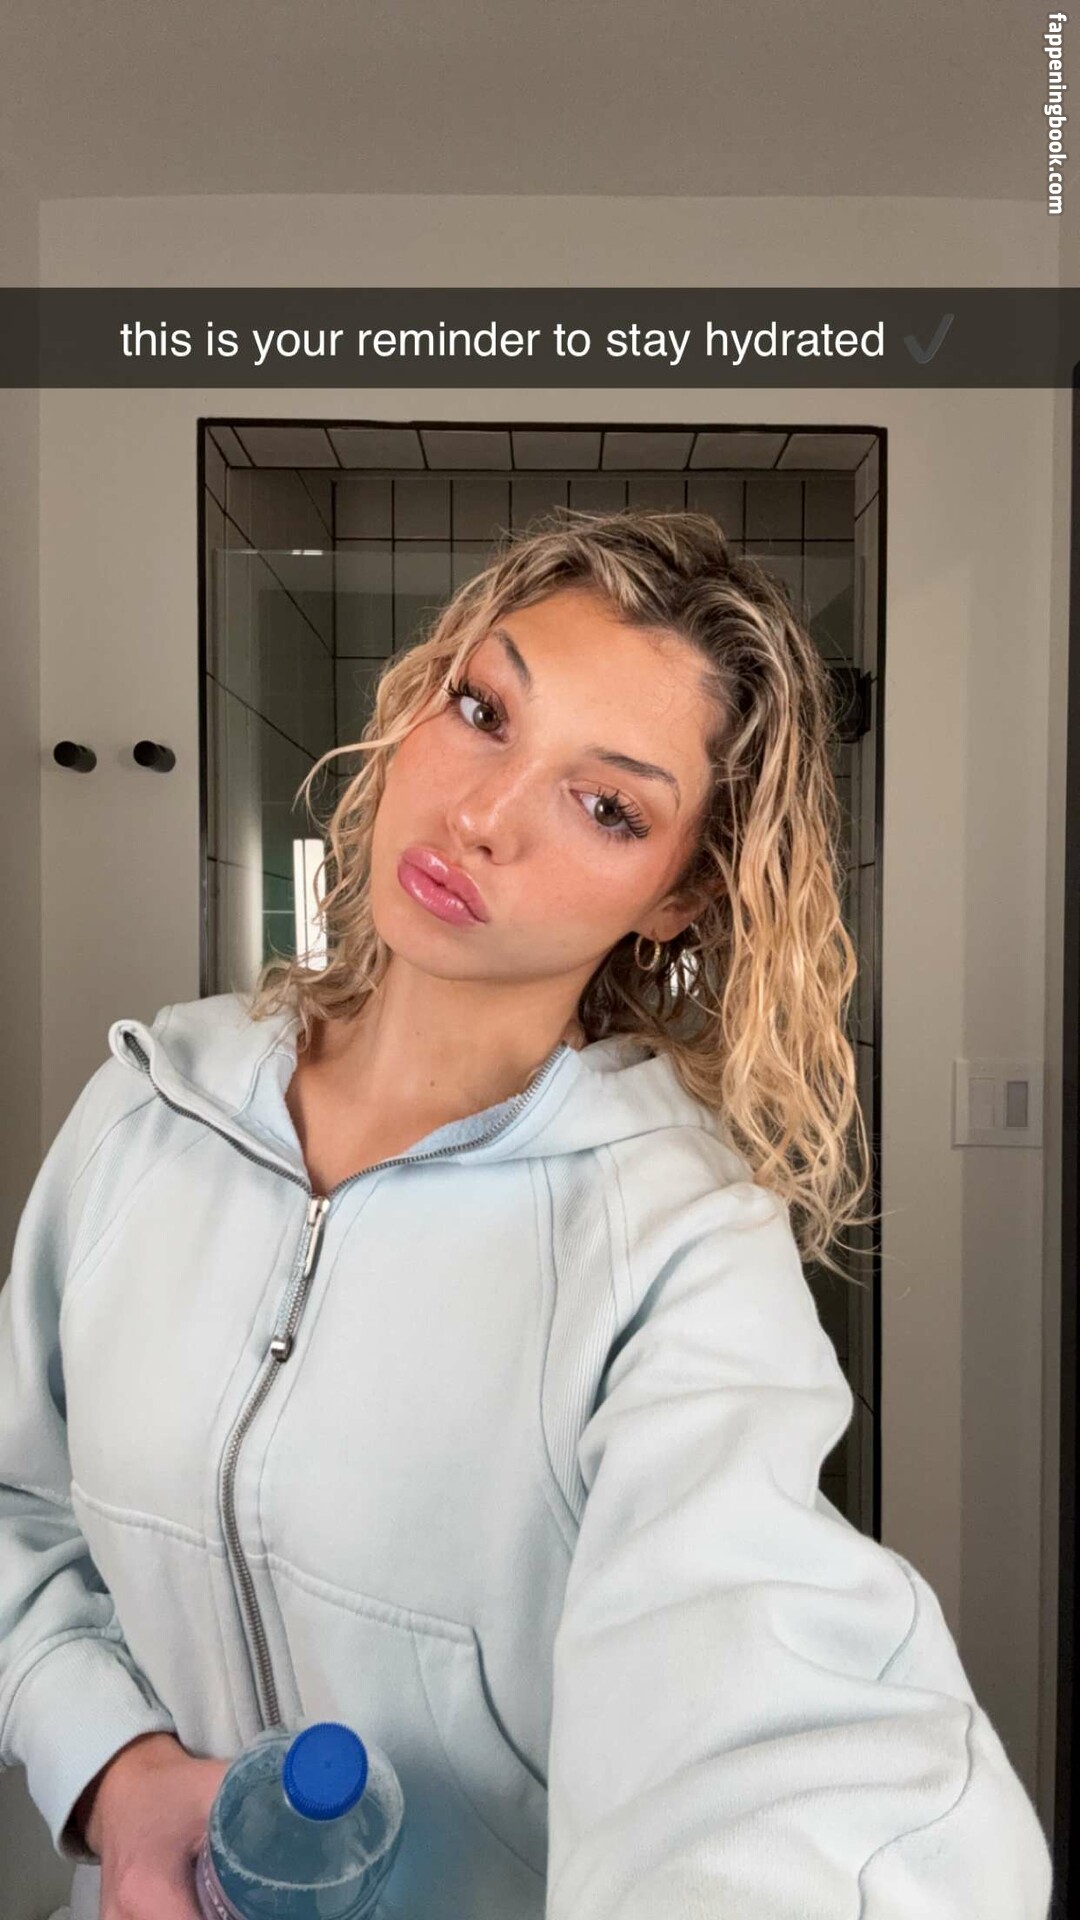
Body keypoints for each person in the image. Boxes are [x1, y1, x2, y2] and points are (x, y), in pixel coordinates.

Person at [0, 507, 1052, 1920]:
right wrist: (116, 1772)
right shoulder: (149, 1110)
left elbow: (770, 1708)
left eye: (607, 806)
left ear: (678, 893)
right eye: (484, 710)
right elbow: (16, 1503)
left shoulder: (679, 1246)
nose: (482, 816)